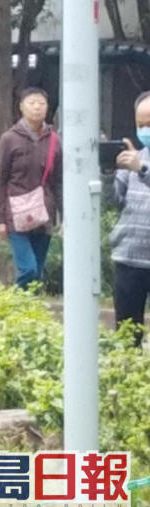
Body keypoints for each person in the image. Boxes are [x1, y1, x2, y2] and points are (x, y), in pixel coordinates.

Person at [0, 88, 63, 290]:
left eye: (41, 103)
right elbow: (0, 180)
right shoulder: (9, 138)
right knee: (28, 269)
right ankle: (13, 305)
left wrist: (64, 216)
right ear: (21, 107)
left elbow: (57, 181)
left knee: (37, 273)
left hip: (44, 214)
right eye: (32, 102)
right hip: (16, 214)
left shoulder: (54, 141)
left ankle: (27, 313)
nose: (37, 107)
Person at [110, 91, 150, 348]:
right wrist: (106, 172)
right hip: (129, 256)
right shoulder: (135, 156)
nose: (145, 129)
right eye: (141, 124)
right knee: (127, 333)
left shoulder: (140, 163)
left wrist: (143, 171)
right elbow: (115, 200)